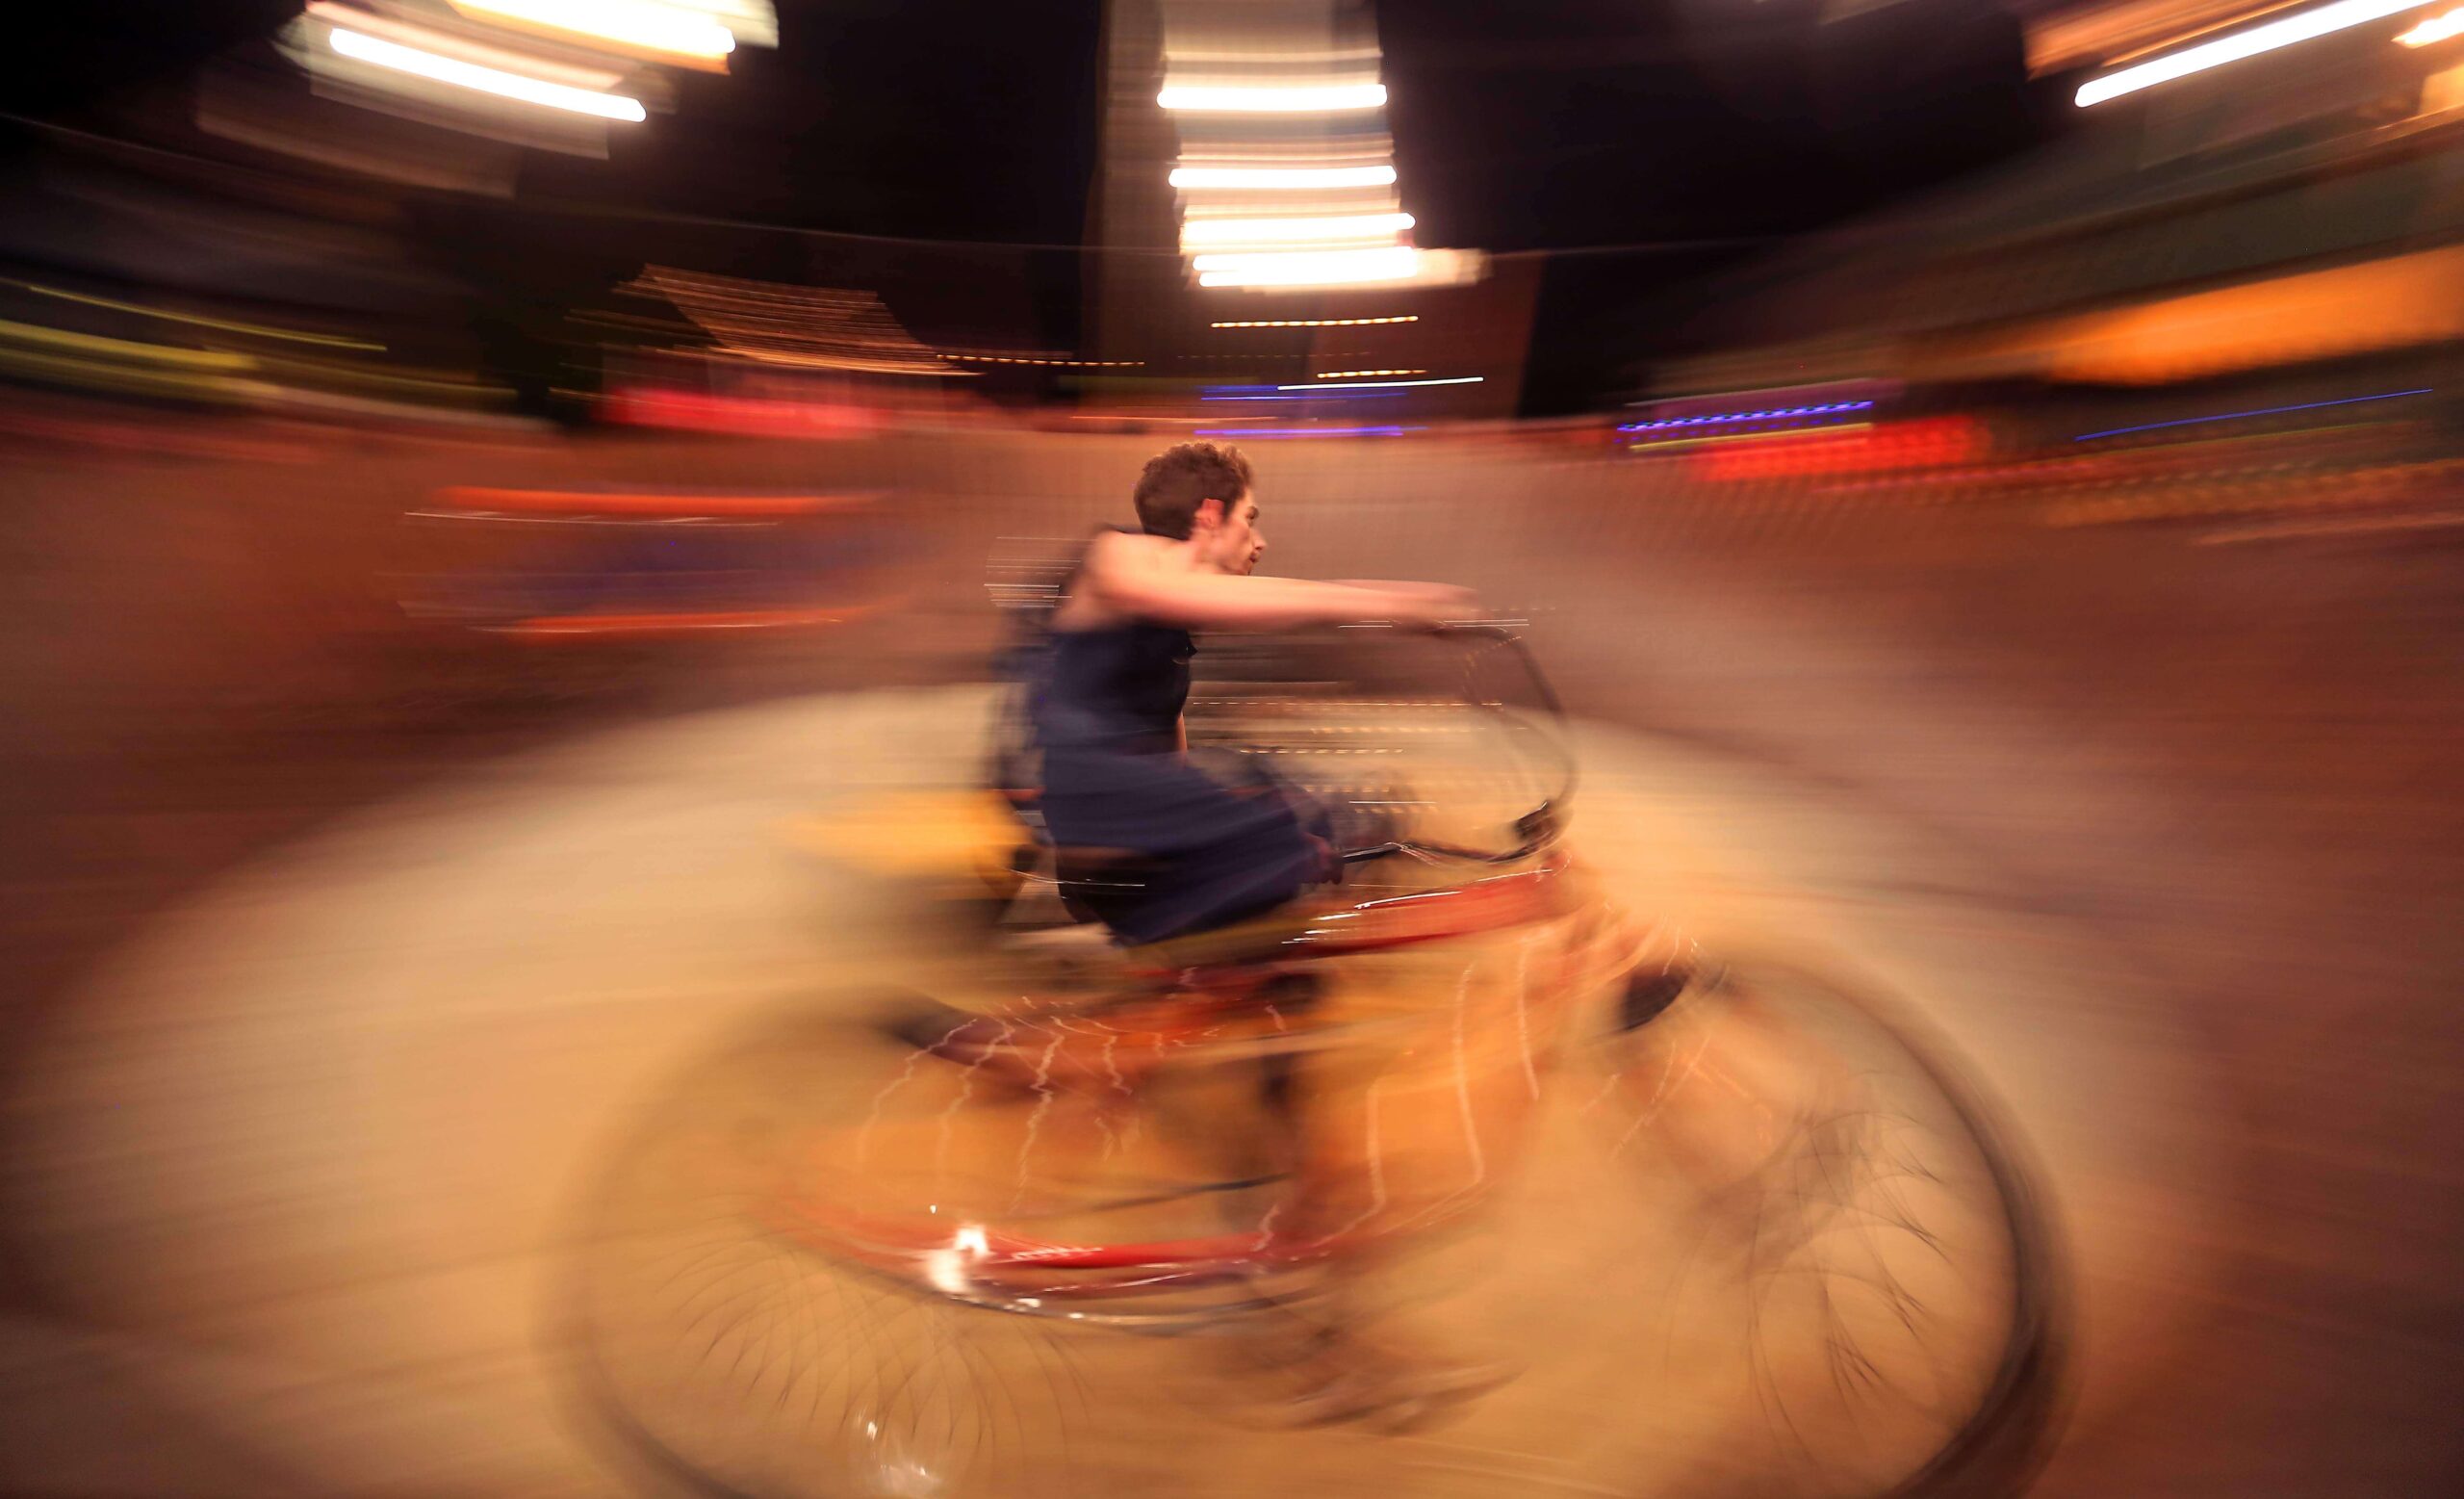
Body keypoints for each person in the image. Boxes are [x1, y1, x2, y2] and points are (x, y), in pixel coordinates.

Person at [1026, 441, 1470, 946]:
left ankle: (1238, 937)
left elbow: (1169, 743)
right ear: (1211, 514)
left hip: (1131, 817)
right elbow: (1256, 597)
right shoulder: (1115, 553)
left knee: (1315, 811)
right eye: (1249, 519)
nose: (1258, 541)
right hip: (1098, 803)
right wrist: (1396, 607)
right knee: (1310, 825)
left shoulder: (1176, 625)